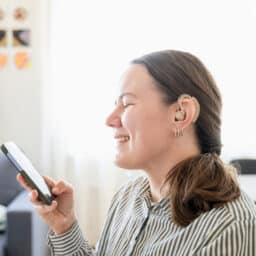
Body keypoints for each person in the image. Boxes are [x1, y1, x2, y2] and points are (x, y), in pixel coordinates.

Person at [17, 50, 256, 255]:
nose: (110, 120)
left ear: (181, 113)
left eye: (127, 104)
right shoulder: (128, 196)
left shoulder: (232, 226)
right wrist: (65, 225)